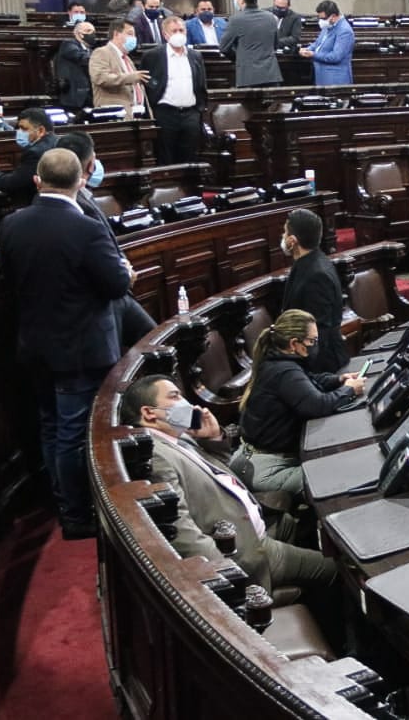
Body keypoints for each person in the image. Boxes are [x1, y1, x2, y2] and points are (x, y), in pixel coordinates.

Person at [0, 148, 132, 539]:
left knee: (52, 427)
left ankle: (64, 504)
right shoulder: (86, 227)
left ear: (37, 181)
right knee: (74, 434)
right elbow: (116, 285)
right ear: (82, 179)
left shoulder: (11, 225)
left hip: (35, 345)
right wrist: (123, 269)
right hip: (79, 350)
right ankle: (76, 516)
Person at [119, 375, 337, 592]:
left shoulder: (179, 438)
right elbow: (180, 530)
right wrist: (228, 576)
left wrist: (213, 438)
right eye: (175, 396)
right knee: (336, 569)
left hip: (258, 524)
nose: (186, 404)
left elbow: (223, 476)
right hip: (248, 552)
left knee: (317, 527)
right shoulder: (156, 456)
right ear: (148, 413)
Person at [232, 309, 365, 496]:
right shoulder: (283, 371)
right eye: (312, 341)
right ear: (294, 343)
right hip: (265, 469)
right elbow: (318, 405)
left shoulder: (280, 362)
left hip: (262, 459)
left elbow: (309, 381)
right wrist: (349, 390)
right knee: (337, 477)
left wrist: (339, 380)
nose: (315, 345)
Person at [54, 131, 156, 349]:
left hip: (106, 296)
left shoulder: (79, 199)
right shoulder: (78, 207)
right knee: (152, 346)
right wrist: (123, 273)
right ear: (90, 165)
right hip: (104, 302)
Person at [280, 208, 349, 373]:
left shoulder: (317, 275)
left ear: (292, 241)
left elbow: (318, 332)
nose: (282, 237)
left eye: (284, 233)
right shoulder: (311, 262)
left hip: (323, 366)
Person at [139, 15, 207, 164]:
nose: (178, 33)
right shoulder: (152, 56)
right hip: (165, 113)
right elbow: (148, 83)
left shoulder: (195, 56)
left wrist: (199, 109)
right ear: (165, 34)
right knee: (166, 157)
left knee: (190, 157)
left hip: (190, 114)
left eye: (181, 30)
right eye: (174, 30)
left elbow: (201, 84)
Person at [0, 107, 58, 203]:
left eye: (24, 128)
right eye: (18, 128)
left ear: (40, 130)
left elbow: (12, 184)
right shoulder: (57, 141)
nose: (19, 132)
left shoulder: (35, 153)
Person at [219, 0, 283, 87]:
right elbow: (275, 45)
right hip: (271, 74)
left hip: (247, 76)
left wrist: (239, 58)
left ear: (242, 0)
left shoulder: (236, 20)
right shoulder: (271, 18)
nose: (234, 0)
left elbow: (223, 47)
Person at [89, 19, 149, 118]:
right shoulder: (101, 52)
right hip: (115, 115)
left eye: (134, 35)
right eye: (130, 34)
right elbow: (100, 78)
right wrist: (131, 77)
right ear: (116, 34)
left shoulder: (127, 58)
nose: (134, 38)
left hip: (135, 114)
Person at [299, 0, 354, 86]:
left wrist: (313, 54)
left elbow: (336, 57)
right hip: (322, 77)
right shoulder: (328, 25)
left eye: (323, 18)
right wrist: (307, 49)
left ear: (333, 16)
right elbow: (318, 43)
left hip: (335, 79)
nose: (321, 21)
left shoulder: (344, 31)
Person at [54, 20, 95, 109]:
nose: (92, 34)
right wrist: (99, 59)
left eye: (93, 32)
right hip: (75, 95)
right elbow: (80, 57)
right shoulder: (68, 44)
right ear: (78, 34)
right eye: (88, 31)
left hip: (90, 96)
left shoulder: (91, 50)